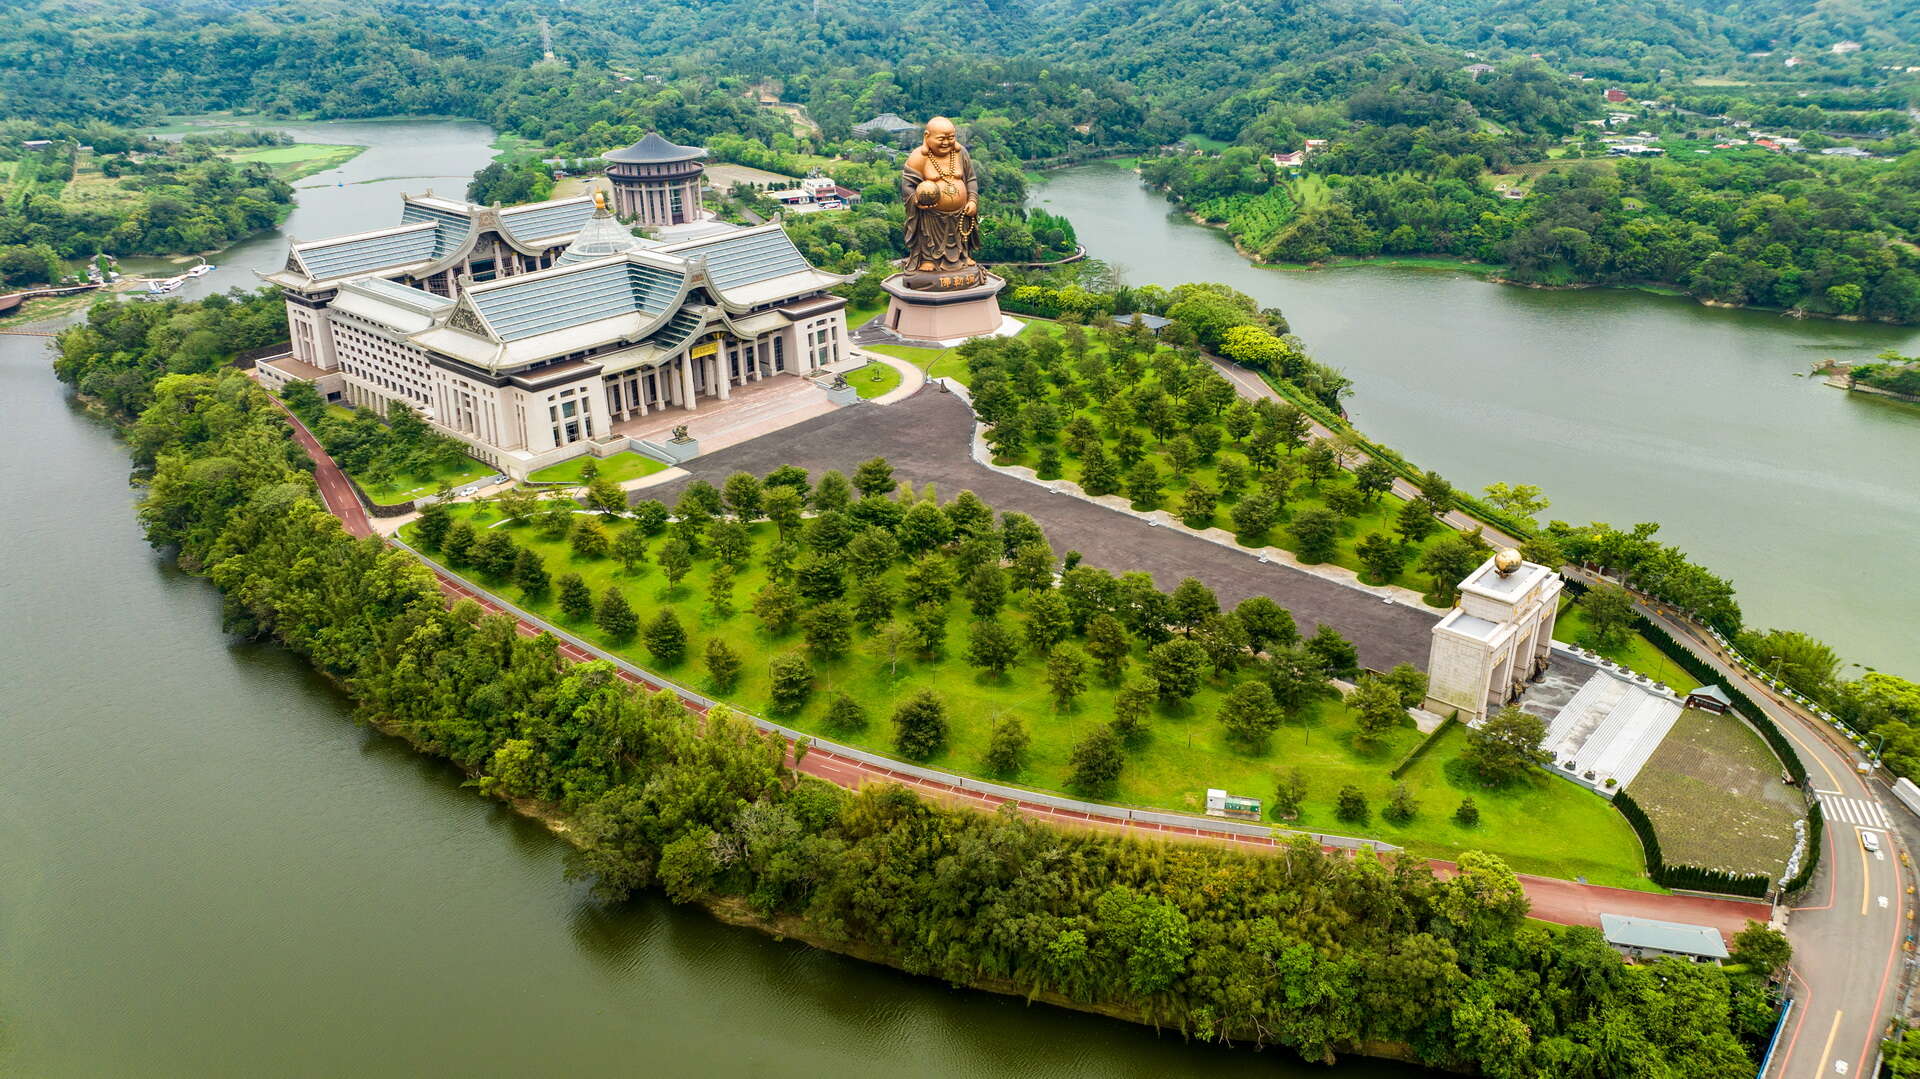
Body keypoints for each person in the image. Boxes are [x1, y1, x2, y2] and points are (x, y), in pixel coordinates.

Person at [901, 117, 982, 289]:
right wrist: (916, 198)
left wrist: (973, 200)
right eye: (941, 139)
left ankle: (963, 255)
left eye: (951, 137)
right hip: (931, 214)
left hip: (961, 211)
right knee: (929, 236)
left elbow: (971, 180)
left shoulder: (961, 153)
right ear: (927, 136)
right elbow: (907, 185)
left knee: (962, 235)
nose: (946, 142)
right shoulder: (918, 157)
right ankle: (928, 259)